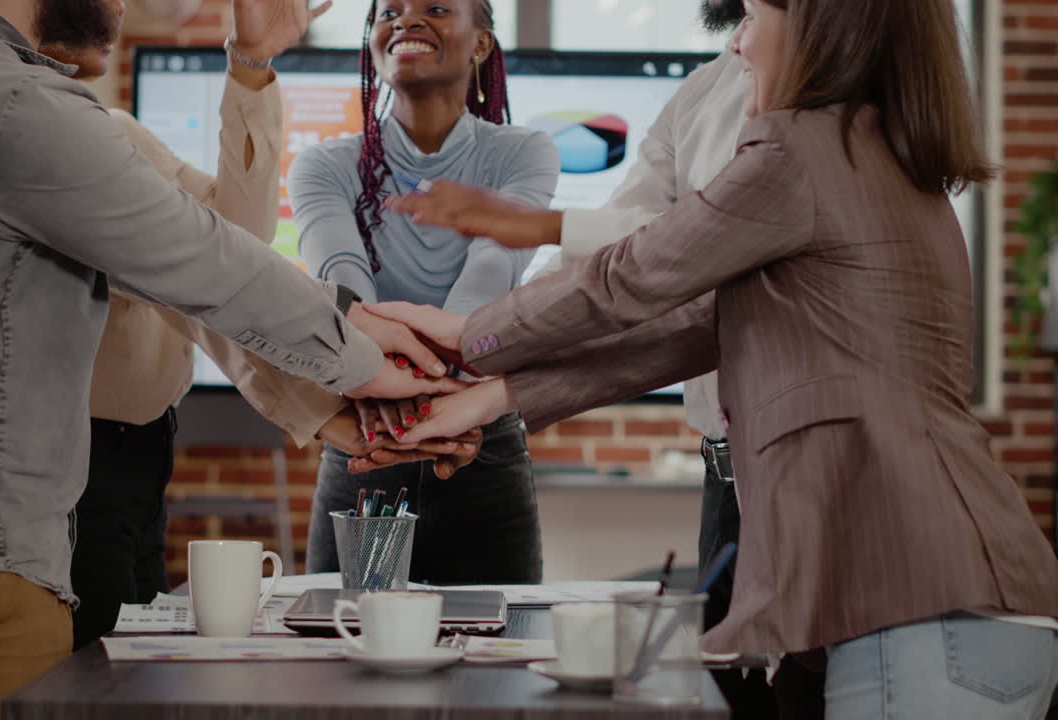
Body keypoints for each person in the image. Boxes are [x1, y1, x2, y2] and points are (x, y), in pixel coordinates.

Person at [371, 0, 1058, 717]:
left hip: (920, 614)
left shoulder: (799, 149)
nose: (739, 48)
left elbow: (632, 275)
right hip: (967, 609)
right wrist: (496, 392)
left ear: (822, 30)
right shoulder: (874, 152)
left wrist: (469, 336)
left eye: (754, 18)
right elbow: (699, 326)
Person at [0, 0, 470, 716]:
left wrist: (336, 389)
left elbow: (196, 264)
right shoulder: (7, 102)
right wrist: (357, 341)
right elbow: (197, 259)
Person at [37, 2, 482, 651]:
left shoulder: (115, 132)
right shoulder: (54, 141)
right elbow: (202, 281)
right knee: (89, 677)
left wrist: (251, 67)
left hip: (140, 462)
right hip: (80, 469)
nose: (123, 7)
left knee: (126, 672)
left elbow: (227, 248)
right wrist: (346, 371)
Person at [288, 0, 560, 585]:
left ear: (482, 43)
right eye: (389, 11)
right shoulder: (323, 164)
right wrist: (401, 387)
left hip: (479, 441)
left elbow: (491, 272)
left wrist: (419, 388)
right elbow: (342, 285)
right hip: (370, 438)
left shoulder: (522, 152)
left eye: (435, 7)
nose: (405, 21)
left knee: (497, 654)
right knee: (346, 647)